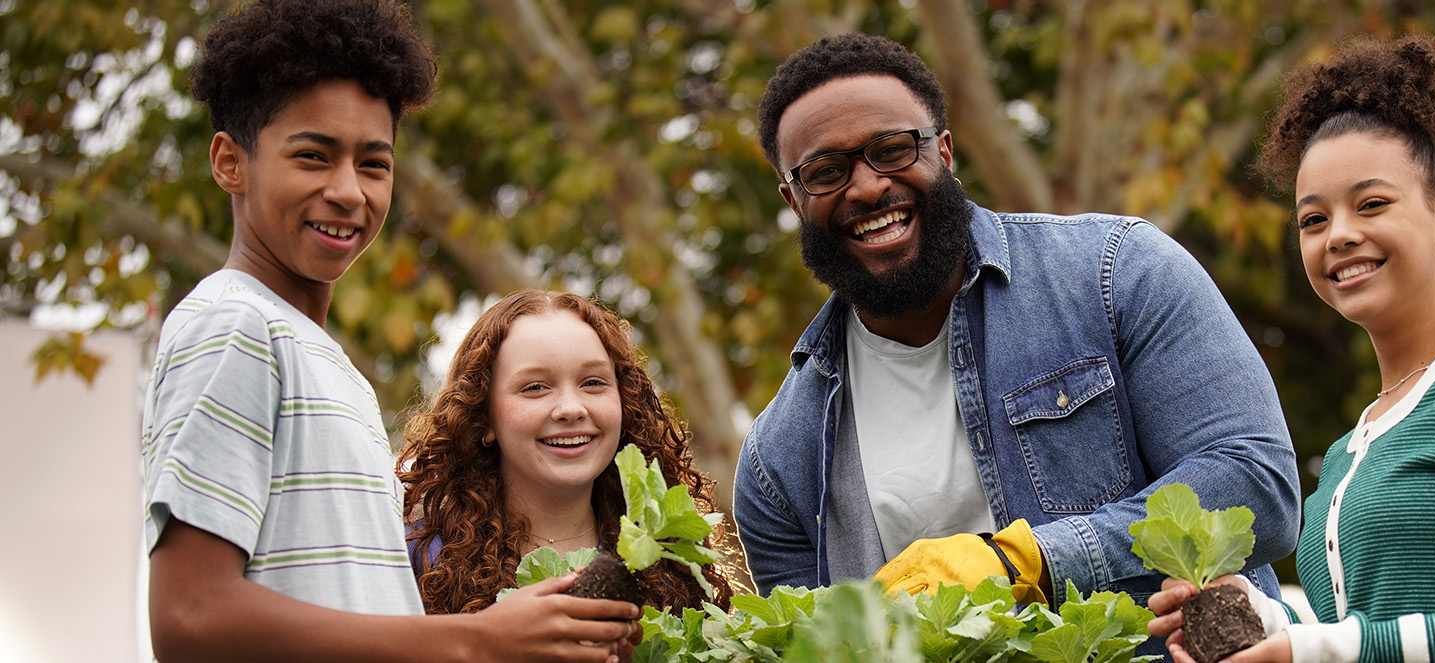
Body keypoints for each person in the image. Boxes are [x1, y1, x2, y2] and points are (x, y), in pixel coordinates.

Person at [140, 2, 637, 661]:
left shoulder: (320, 358)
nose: (349, 191)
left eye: (373, 163)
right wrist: (477, 640)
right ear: (230, 162)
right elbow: (189, 616)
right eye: (313, 156)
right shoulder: (234, 325)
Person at [734, 33, 1300, 608]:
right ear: (793, 199)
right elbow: (805, 643)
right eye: (826, 171)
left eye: (893, 149)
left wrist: (1027, 561)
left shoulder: (1116, 273)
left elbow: (1257, 490)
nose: (868, 186)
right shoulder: (778, 461)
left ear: (944, 152)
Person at [1146, 35, 1435, 663]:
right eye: (1314, 219)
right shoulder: (1345, 454)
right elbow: (1367, 627)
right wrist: (1256, 615)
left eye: (1372, 204)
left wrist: (1304, 650)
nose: (1341, 235)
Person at [398, 290, 741, 614]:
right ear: (482, 418)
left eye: (593, 382)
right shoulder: (417, 560)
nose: (571, 408)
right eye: (535, 387)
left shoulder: (672, 562)